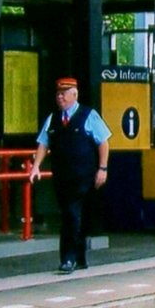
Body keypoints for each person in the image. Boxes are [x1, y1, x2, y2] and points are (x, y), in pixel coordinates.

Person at [27, 77, 112, 274]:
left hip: (84, 177)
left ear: (75, 94)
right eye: (58, 94)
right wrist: (36, 166)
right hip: (62, 177)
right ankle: (79, 258)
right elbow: (43, 142)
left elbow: (103, 142)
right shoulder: (53, 119)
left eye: (64, 93)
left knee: (71, 215)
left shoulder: (88, 115)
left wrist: (103, 168)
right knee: (73, 216)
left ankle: (68, 258)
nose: (60, 97)